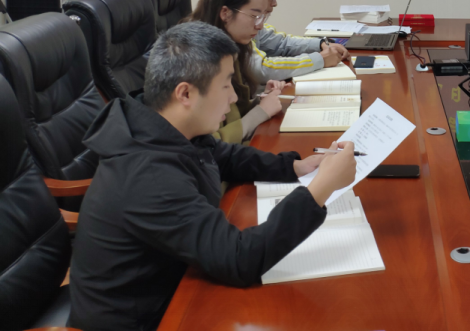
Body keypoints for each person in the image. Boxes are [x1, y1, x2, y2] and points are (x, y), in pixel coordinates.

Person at [68, 22, 357, 331]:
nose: (233, 97)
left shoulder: (161, 124)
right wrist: (320, 189)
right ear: (185, 93)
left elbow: (225, 156)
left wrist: (296, 167)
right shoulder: (148, 177)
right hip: (149, 318)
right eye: (226, 85)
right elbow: (240, 259)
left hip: (178, 280)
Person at [189, 0, 338, 143]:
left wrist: (261, 100)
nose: (259, 26)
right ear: (225, 13)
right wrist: (261, 112)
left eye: (263, 17)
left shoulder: (231, 45)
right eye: (254, 16)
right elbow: (210, 144)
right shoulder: (199, 58)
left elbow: (236, 111)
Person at [236, 0, 349, 82]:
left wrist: (320, 44)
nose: (275, 3)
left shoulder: (251, 21)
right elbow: (261, 69)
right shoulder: (235, 23)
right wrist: (320, 59)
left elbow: (281, 44)